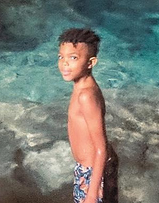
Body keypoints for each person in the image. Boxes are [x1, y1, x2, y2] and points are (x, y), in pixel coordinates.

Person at [58, 28, 118, 203]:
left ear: (91, 62)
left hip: (94, 170)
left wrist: (92, 194)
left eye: (73, 58)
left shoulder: (86, 96)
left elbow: (101, 148)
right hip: (89, 168)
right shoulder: (79, 87)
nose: (65, 64)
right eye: (61, 57)